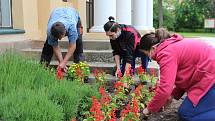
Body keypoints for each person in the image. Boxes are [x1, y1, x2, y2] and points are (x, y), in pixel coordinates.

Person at [140, 28, 215, 121]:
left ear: (153, 48)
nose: (149, 57)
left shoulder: (166, 53)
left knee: (187, 114)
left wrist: (148, 110)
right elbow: (186, 74)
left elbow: (164, 89)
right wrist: (173, 95)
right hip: (206, 74)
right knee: (186, 112)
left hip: (210, 77)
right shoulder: (170, 46)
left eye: (146, 54)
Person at [40, 7, 84, 72]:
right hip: (56, 13)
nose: (60, 39)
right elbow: (55, 47)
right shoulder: (49, 31)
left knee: (78, 42)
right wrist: (61, 63)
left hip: (72, 13)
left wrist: (64, 62)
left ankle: (80, 71)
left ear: (65, 31)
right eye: (57, 38)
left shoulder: (72, 27)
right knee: (48, 45)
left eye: (60, 37)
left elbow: (72, 46)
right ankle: (42, 69)